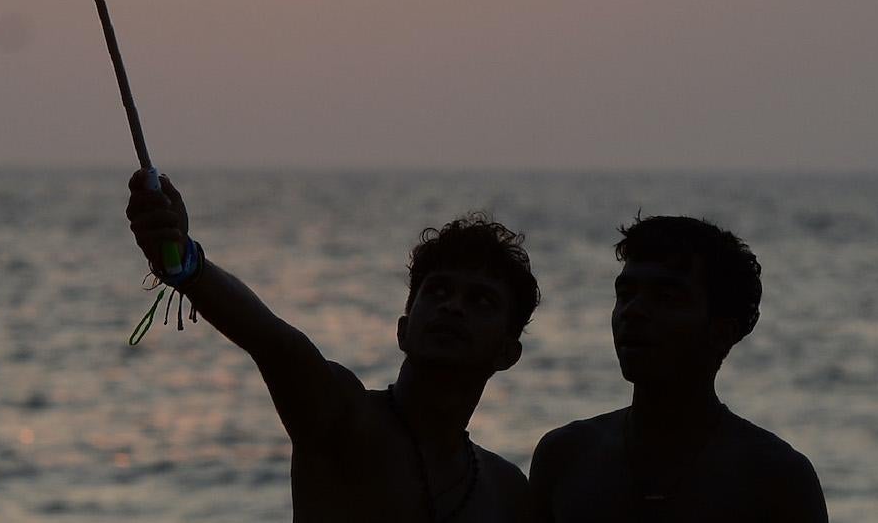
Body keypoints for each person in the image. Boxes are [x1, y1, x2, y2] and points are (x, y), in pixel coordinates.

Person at [126, 170, 540, 521]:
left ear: (507, 354)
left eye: (480, 300)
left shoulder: (507, 493)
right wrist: (185, 262)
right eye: (437, 291)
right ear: (402, 329)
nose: (452, 307)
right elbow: (273, 340)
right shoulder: (342, 417)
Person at [529, 215, 828, 521]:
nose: (633, 312)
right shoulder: (565, 458)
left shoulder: (778, 479)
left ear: (722, 332)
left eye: (666, 298)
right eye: (625, 294)